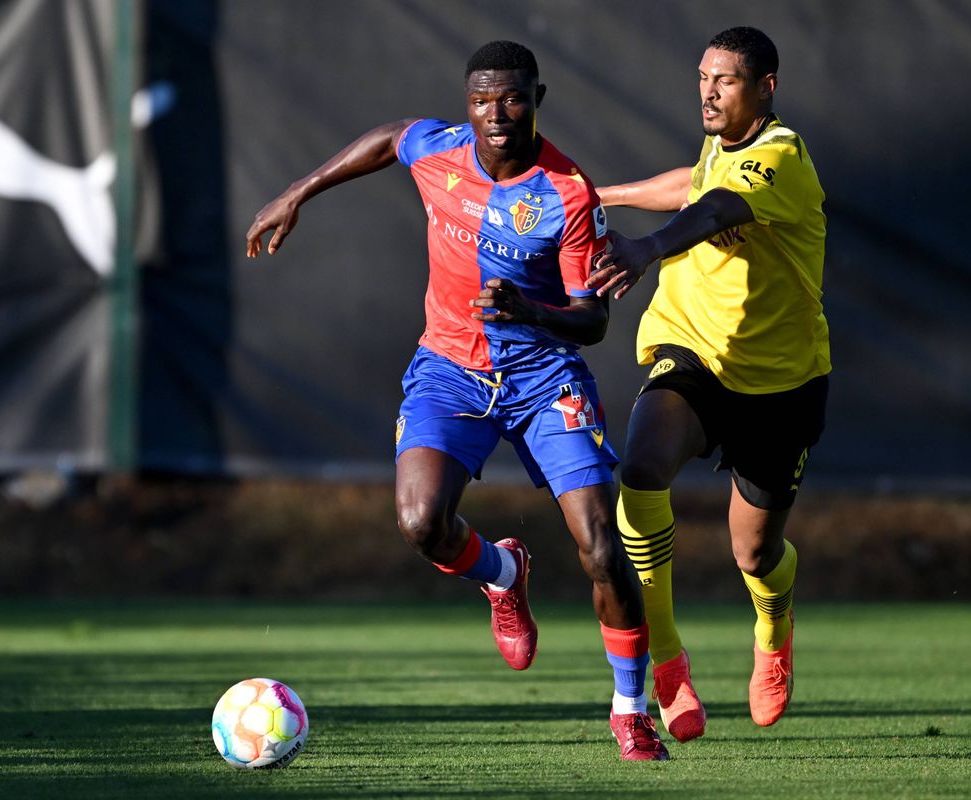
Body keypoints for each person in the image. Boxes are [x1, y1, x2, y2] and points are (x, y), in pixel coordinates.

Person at [245, 41, 668, 761]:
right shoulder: (441, 148)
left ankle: (630, 710)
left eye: (510, 99)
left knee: (602, 547)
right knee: (419, 522)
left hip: (544, 379)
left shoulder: (567, 193)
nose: (494, 115)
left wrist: (529, 312)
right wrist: (298, 191)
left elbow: (592, 320)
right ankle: (503, 574)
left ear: (538, 96)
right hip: (449, 371)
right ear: (465, 103)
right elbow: (387, 138)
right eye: (480, 101)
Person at [588, 26, 830, 742]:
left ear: (766, 88)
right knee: (639, 469)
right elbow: (694, 188)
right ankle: (667, 659)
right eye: (703, 77)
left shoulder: (781, 156)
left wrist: (645, 249)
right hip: (693, 350)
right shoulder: (720, 149)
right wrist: (602, 197)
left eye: (725, 80)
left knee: (753, 553)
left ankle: (774, 625)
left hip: (782, 381)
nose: (708, 91)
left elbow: (718, 209)